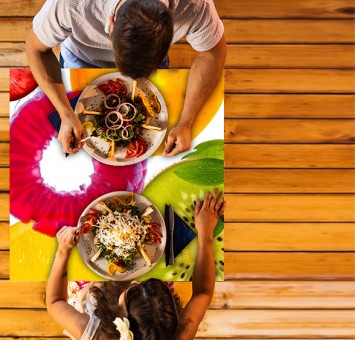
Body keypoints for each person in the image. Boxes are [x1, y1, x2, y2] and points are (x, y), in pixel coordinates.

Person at [26, 0, 227, 156]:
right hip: (81, 59)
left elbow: (212, 54)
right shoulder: (69, 5)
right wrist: (65, 114)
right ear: (111, 23)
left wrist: (185, 123)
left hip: (154, 67)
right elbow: (35, 49)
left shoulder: (195, 6)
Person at [46, 189, 226, 339]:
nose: (136, 282)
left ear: (120, 319)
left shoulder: (96, 334)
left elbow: (55, 302)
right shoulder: (177, 335)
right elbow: (203, 293)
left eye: (133, 289)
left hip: (94, 295)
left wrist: (63, 251)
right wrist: (205, 235)